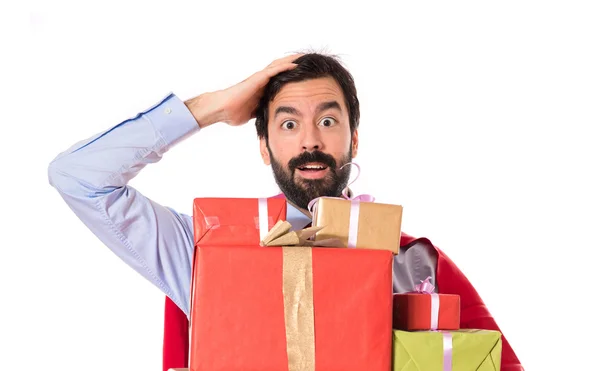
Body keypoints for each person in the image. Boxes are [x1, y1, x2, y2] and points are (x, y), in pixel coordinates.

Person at [48, 53, 523, 370]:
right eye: (289, 122)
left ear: (353, 139)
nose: (310, 139)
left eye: (328, 121)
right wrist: (211, 109)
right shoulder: (202, 256)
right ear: (264, 146)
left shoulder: (416, 264)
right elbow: (77, 177)